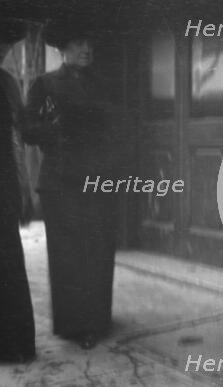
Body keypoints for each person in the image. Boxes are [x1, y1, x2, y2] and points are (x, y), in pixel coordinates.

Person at [23, 20, 121, 350]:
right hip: (61, 182)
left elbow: (115, 127)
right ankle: (75, 325)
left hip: (98, 179)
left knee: (98, 249)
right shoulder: (44, 84)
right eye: (78, 43)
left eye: (89, 42)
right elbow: (27, 130)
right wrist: (55, 129)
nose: (86, 49)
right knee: (69, 255)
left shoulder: (103, 84)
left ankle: (98, 319)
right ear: (62, 48)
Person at [0, 17, 36, 363]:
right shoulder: (7, 81)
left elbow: (18, 136)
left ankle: (13, 345)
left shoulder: (7, 82)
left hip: (3, 181)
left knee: (8, 257)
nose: (4, 52)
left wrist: (22, 188)